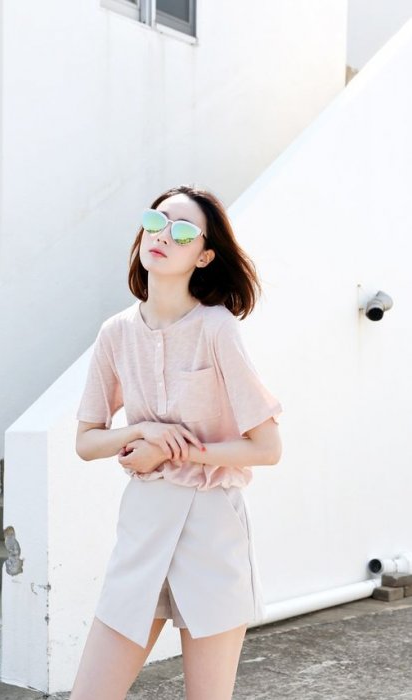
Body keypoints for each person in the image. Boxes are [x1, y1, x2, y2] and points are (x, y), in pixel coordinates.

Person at [70, 184, 283, 700]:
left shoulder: (217, 328)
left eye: (183, 231)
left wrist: (176, 450)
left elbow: (267, 447)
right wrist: (142, 432)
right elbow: (87, 441)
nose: (163, 236)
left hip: (211, 527)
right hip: (143, 525)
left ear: (204, 255)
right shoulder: (116, 333)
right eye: (156, 221)